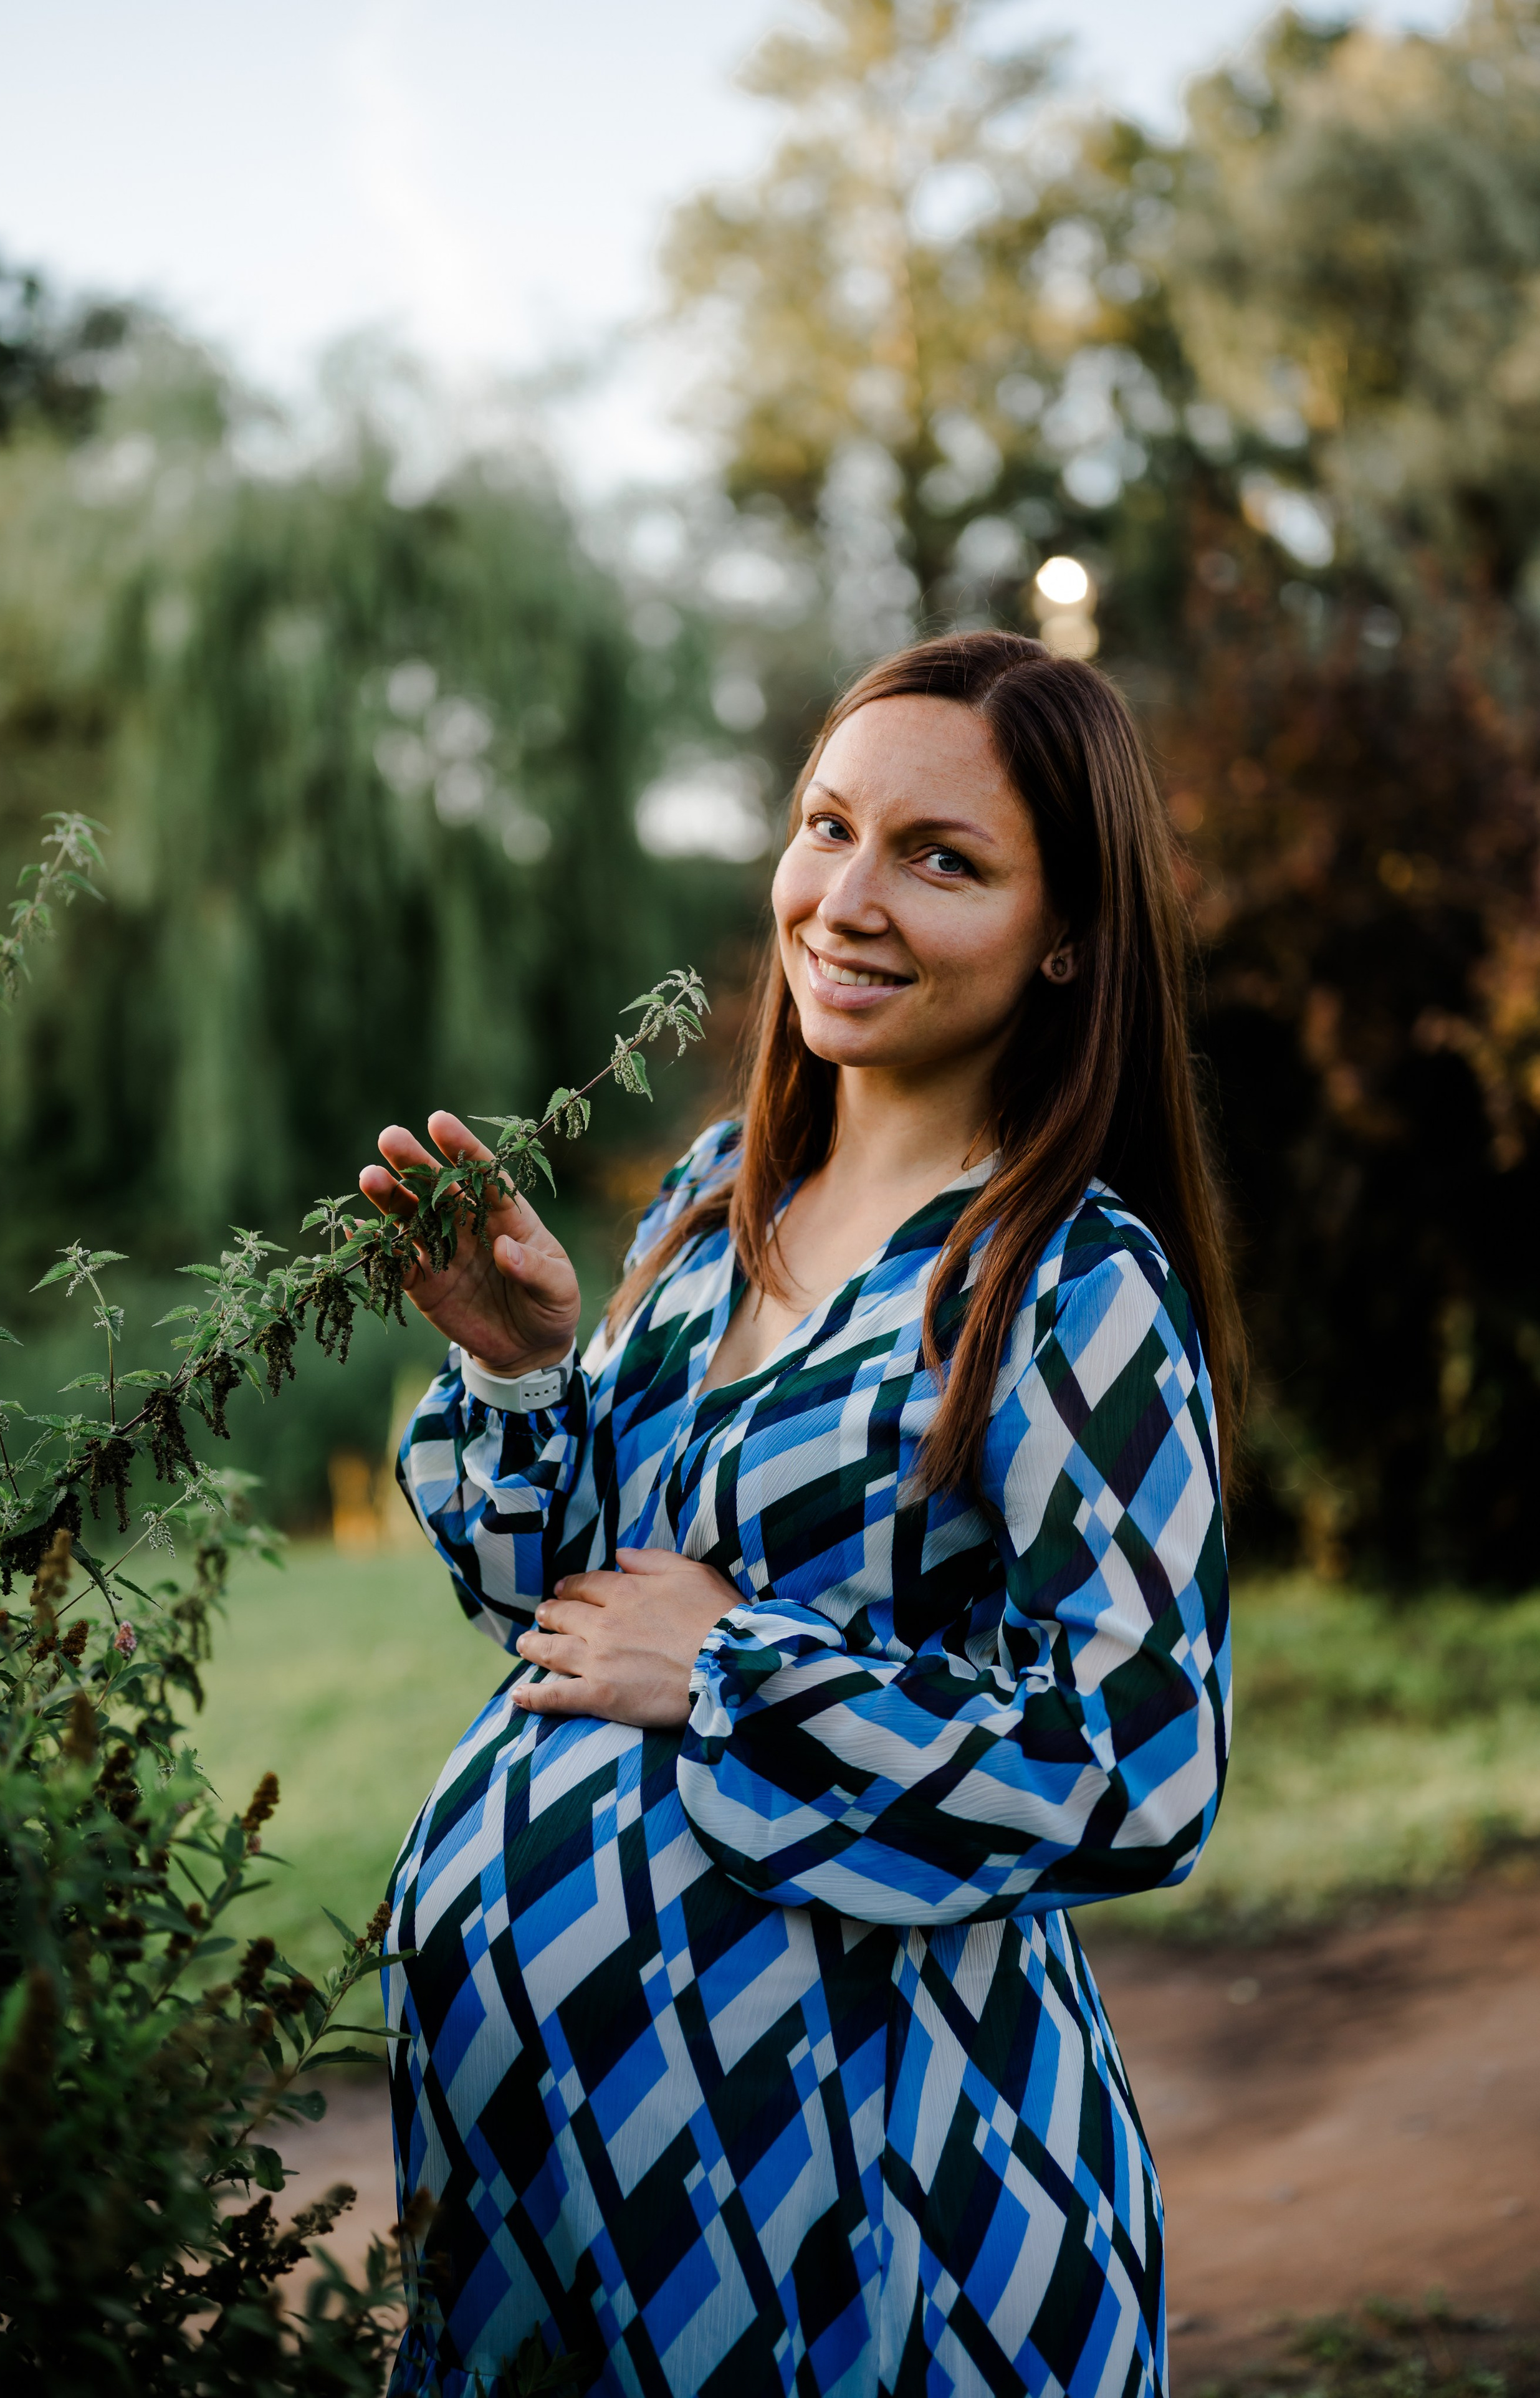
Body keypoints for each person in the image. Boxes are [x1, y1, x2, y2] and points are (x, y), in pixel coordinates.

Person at [361, 629, 1240, 2398]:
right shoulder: (712, 1206)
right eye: (828, 827)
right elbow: (577, 1626)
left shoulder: (1071, 1286)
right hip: (564, 2214)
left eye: (943, 859)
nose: (849, 897)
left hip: (872, 2215)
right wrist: (537, 1375)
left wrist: (741, 1673)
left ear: (1067, 934)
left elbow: (1146, 1767)